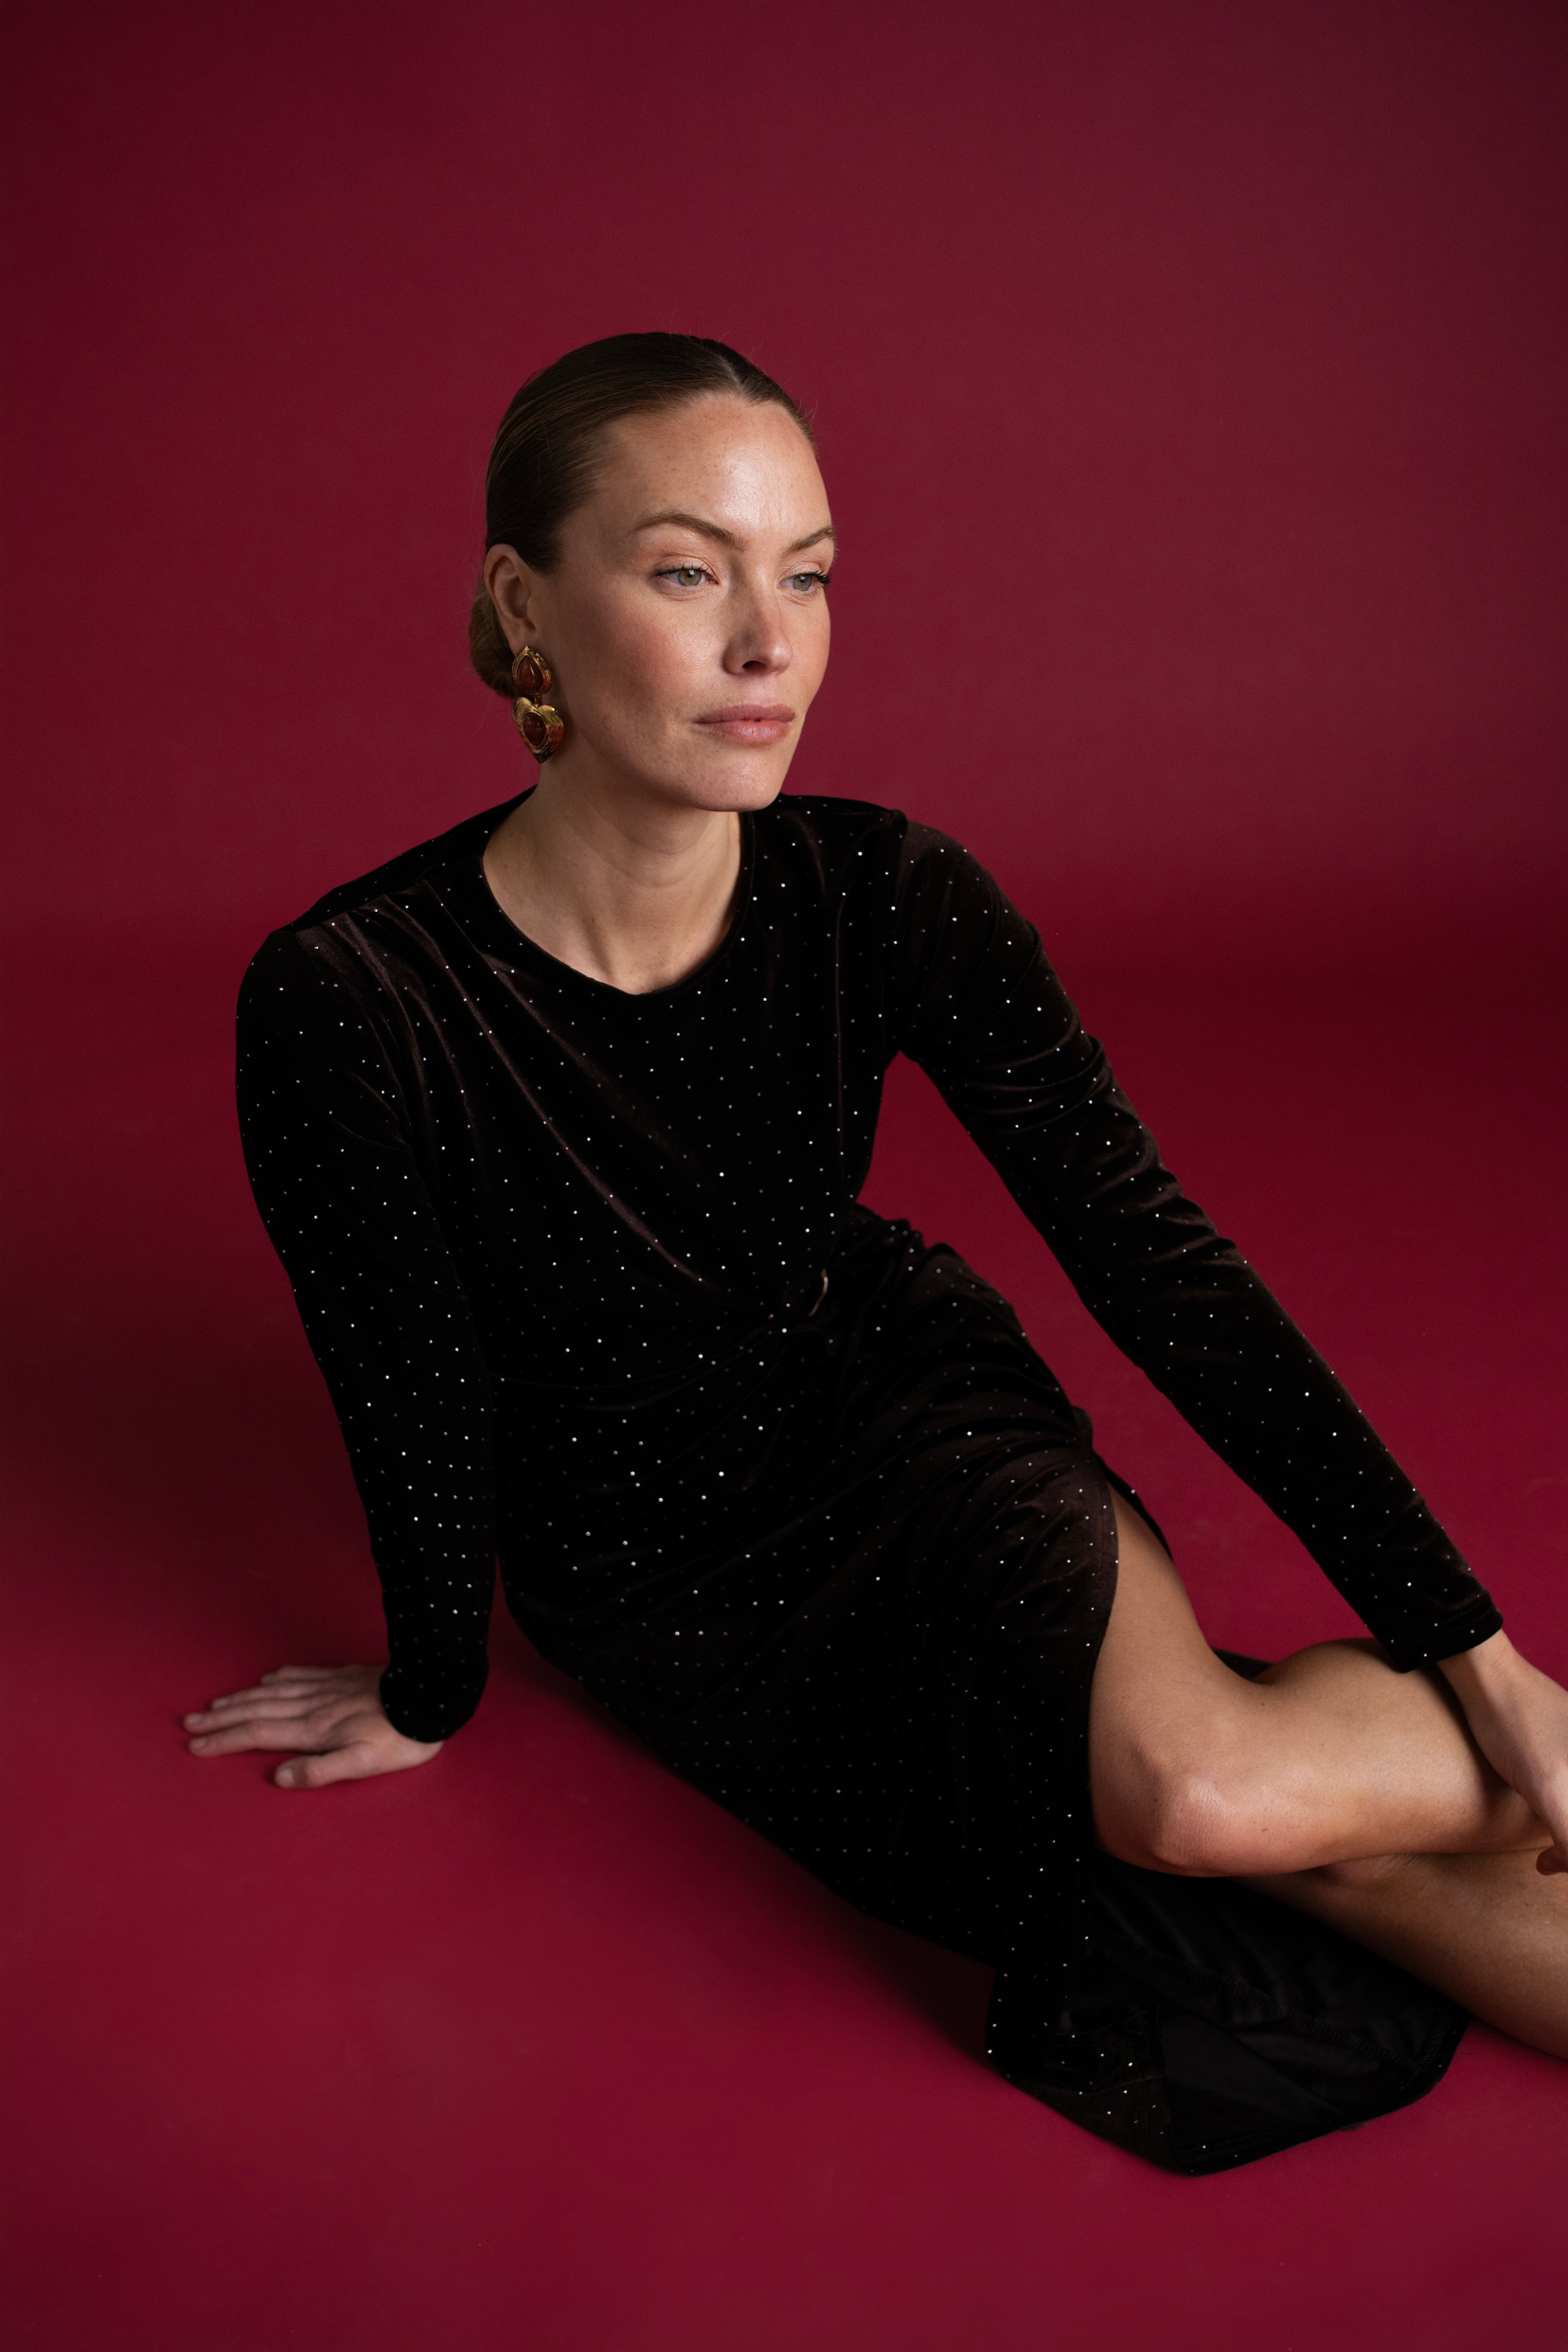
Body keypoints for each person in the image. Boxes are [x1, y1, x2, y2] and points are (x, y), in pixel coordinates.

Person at [188, 333, 1568, 2172]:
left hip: (911, 1423)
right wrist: (430, 1682)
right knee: (1245, 1872)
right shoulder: (351, 998)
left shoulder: (888, 891)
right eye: (692, 573)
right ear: (525, 607)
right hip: (659, 1575)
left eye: (811, 574)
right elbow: (414, 1386)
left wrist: (1482, 1658)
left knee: (1200, 1798)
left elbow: (1158, 1266)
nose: (773, 645)